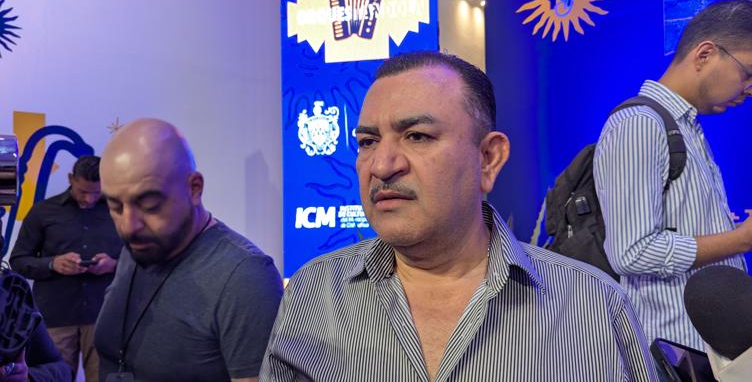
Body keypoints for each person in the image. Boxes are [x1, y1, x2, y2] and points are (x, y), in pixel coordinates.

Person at [260, 51, 658, 381]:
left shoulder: (592, 306)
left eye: (417, 136)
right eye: (368, 142)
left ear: (488, 158)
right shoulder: (314, 294)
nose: (382, 165)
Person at [594, 0, 752, 351]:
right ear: (705, 54)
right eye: (747, 73)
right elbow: (632, 251)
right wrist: (740, 239)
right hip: (676, 354)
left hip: (709, 349)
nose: (749, 89)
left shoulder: (685, 127)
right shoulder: (639, 124)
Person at [94, 118, 283, 382]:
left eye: (149, 204)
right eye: (115, 206)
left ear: (194, 188)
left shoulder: (245, 277)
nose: (128, 225)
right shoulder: (138, 247)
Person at [10, 155, 121, 381]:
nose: (89, 199)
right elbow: (18, 260)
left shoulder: (119, 212)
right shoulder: (43, 211)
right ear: (71, 179)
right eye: (83, 191)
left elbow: (141, 260)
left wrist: (114, 265)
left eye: (96, 192)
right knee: (53, 377)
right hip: (55, 317)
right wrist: (53, 264)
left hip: (103, 316)